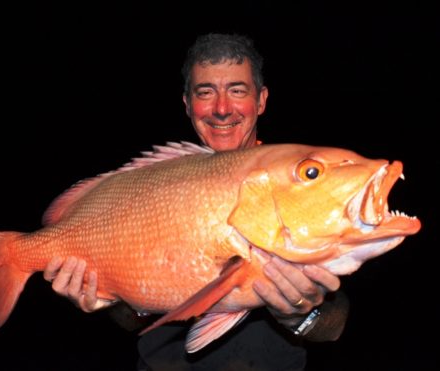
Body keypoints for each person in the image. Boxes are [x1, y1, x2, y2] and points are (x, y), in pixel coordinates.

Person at [43, 33, 349, 370]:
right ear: (188, 104)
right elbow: (135, 319)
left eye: (237, 91)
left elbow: (335, 326)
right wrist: (105, 296)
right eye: (205, 93)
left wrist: (300, 315)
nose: (221, 109)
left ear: (260, 100)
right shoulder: (152, 185)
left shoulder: (297, 188)